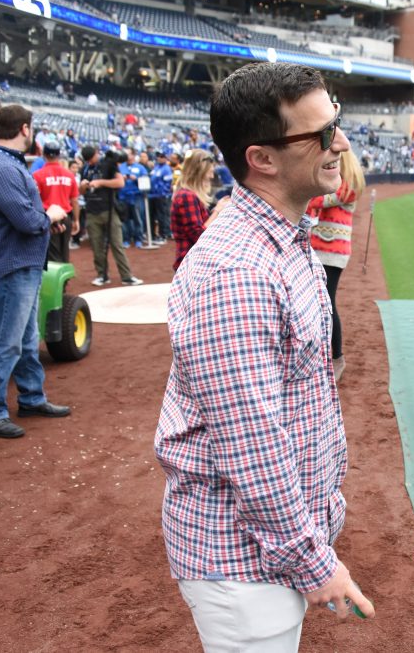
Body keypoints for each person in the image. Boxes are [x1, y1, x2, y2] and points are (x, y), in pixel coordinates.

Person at [154, 62, 374, 652]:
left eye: (337, 123)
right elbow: (252, 445)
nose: (341, 143)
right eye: (323, 133)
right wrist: (315, 561)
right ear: (264, 159)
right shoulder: (237, 272)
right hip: (242, 558)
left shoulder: (284, 235)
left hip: (265, 548)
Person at [0, 104, 72, 439]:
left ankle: (31, 398)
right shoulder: (1, 168)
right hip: (12, 266)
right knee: (7, 342)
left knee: (28, 340)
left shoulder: (5, 164)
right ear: (25, 129)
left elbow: (27, 219)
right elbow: (28, 220)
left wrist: (45, 225)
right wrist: (51, 216)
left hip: (22, 264)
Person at [306, 150, 363, 382]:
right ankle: (324, 356)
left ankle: (336, 357)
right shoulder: (341, 182)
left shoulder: (348, 185)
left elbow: (318, 200)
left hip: (332, 252)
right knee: (320, 303)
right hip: (320, 248)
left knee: (327, 304)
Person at [78, 146, 142, 287]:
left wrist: (100, 182)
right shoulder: (85, 169)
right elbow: (81, 192)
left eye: (92, 157)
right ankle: (102, 275)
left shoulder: (108, 164)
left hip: (109, 210)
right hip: (92, 211)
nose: (91, 160)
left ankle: (127, 276)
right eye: (88, 159)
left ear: (96, 153)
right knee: (97, 246)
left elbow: (120, 182)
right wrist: (83, 186)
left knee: (117, 244)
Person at [168, 148, 221, 271]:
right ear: (200, 171)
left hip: (193, 261)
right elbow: (199, 235)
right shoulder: (187, 196)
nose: (212, 174)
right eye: (210, 171)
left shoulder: (189, 194)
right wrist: (218, 211)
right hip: (191, 263)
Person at [32, 141, 80, 262]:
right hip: (66, 216)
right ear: (59, 155)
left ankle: (58, 280)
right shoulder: (69, 175)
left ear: (44, 155)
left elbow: (34, 201)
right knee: (65, 252)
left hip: (48, 218)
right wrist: (76, 220)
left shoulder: (37, 175)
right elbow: (74, 200)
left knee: (52, 255)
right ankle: (65, 280)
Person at [148, 151, 173, 244]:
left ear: (165, 158)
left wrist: (162, 193)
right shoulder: (156, 168)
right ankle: (153, 235)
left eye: (162, 156)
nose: (159, 158)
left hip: (161, 196)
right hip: (152, 195)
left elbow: (167, 183)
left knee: (161, 216)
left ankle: (163, 235)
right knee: (152, 216)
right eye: (158, 156)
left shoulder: (166, 169)